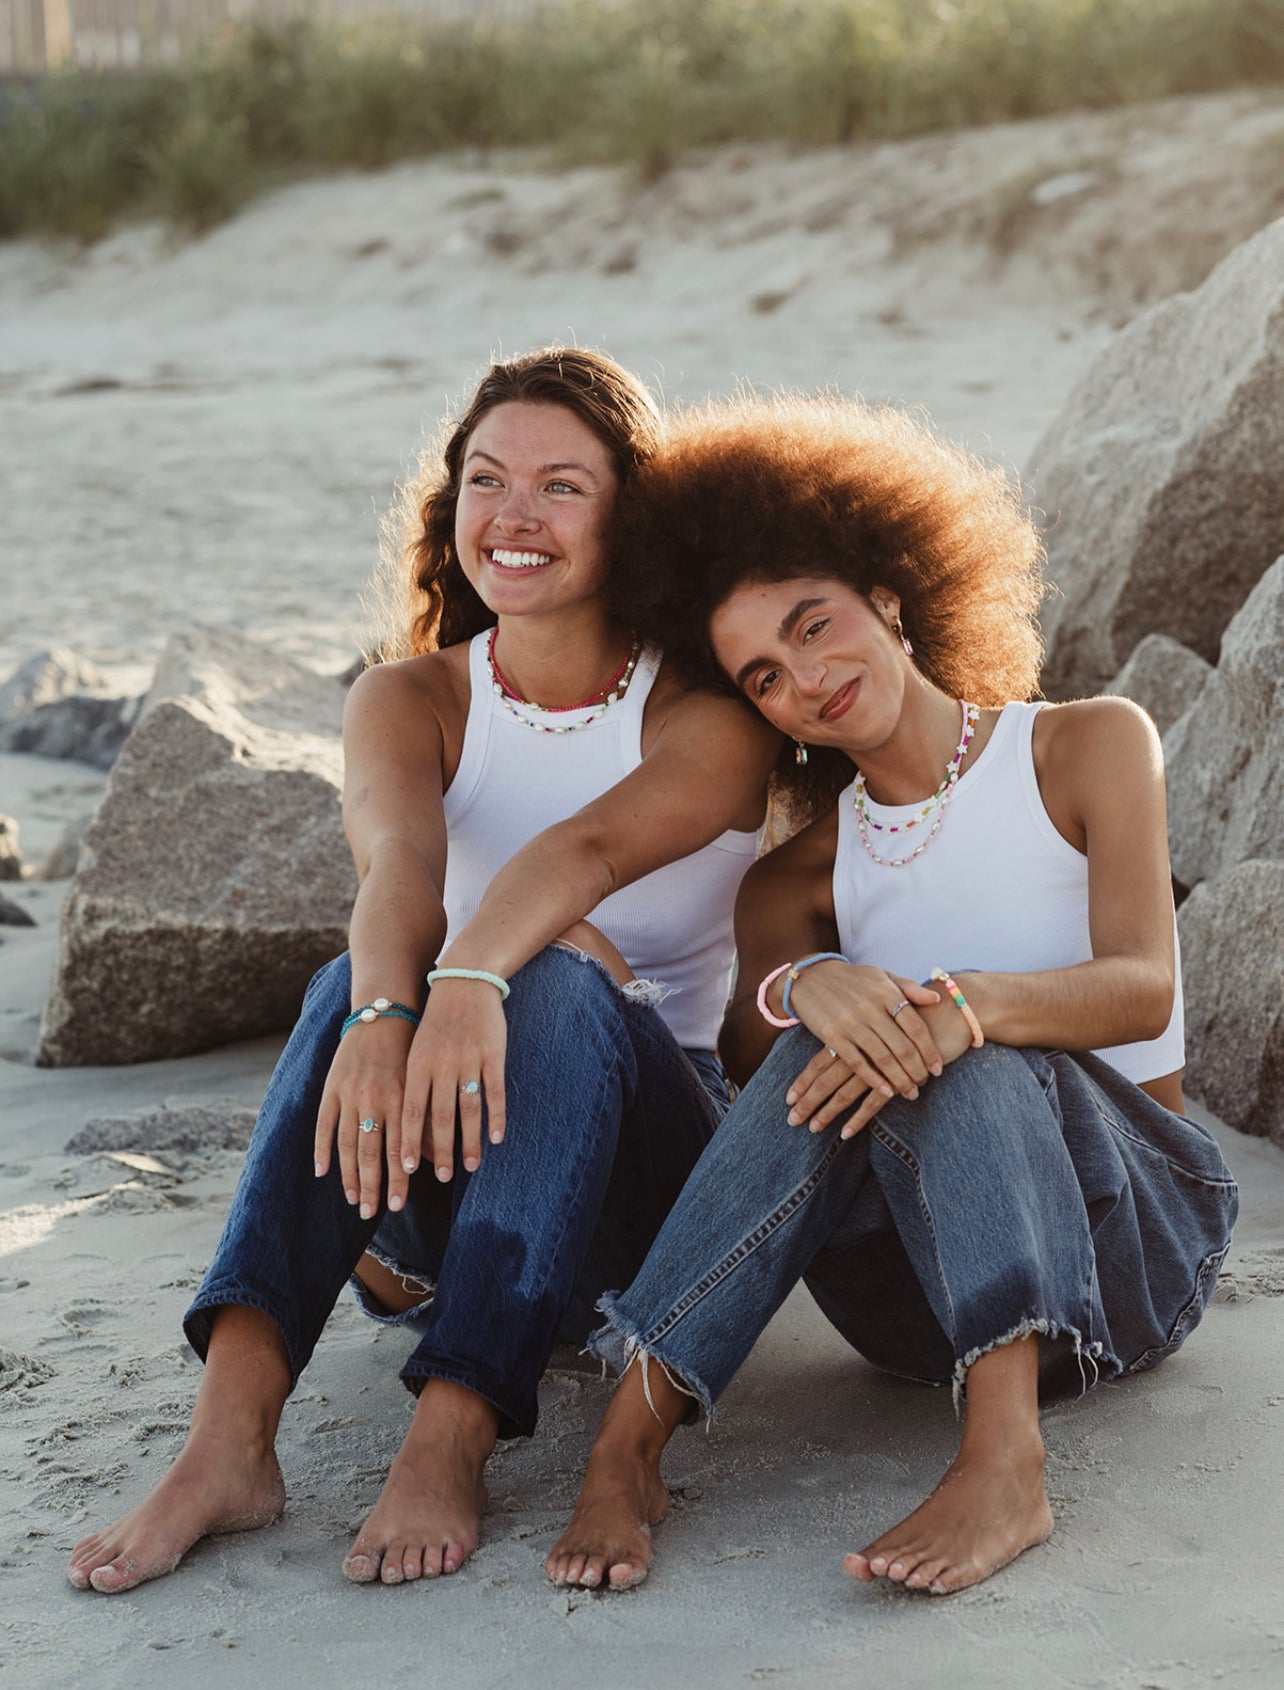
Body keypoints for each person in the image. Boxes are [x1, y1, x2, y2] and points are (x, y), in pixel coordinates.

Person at [66, 348, 779, 1595]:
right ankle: (227, 1443)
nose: (515, 515)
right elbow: (395, 868)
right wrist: (404, 999)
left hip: (642, 1201)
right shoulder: (411, 697)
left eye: (563, 486)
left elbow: (585, 851)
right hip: (444, 1177)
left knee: (553, 970)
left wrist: (472, 980)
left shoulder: (707, 713)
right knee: (352, 985)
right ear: (450, 510)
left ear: (635, 513)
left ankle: (455, 1425)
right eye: (487, 479)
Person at [547, 393, 1239, 1597]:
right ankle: (633, 1440)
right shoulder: (796, 879)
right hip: (914, 1313)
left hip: (1131, 1259)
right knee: (848, 1047)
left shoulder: (1083, 746)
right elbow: (771, 1102)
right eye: (764, 673)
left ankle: (1004, 1457)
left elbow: (1139, 987)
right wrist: (808, 981)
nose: (805, 680)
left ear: (893, 598)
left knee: (942, 1035)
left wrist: (958, 1006)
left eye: (815, 626)